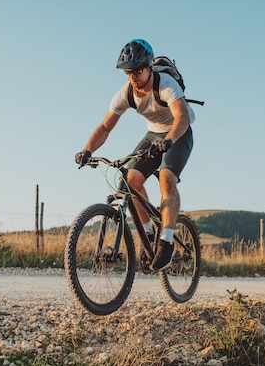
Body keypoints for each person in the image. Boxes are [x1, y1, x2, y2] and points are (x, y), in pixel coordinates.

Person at [75, 38, 195, 271]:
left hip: (178, 134)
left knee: (166, 179)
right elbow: (105, 127)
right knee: (130, 180)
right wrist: (87, 150)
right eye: (128, 72)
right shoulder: (126, 93)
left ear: (150, 67)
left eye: (138, 70)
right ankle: (149, 234)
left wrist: (169, 140)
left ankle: (167, 241)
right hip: (153, 135)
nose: (133, 76)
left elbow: (182, 117)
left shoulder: (166, 84)